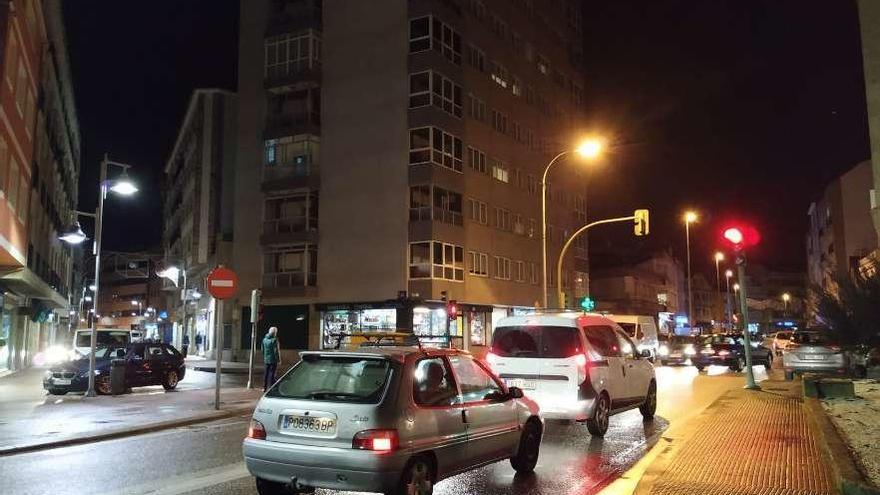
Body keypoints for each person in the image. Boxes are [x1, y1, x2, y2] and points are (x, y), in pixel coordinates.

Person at [262, 326, 281, 391]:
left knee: (266, 373)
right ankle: (271, 387)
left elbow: (262, 350)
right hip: (273, 360)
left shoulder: (264, 339)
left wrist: (265, 357)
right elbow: (276, 351)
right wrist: (278, 360)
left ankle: (264, 387)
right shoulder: (274, 340)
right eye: (276, 332)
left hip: (266, 359)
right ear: (274, 333)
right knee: (272, 373)